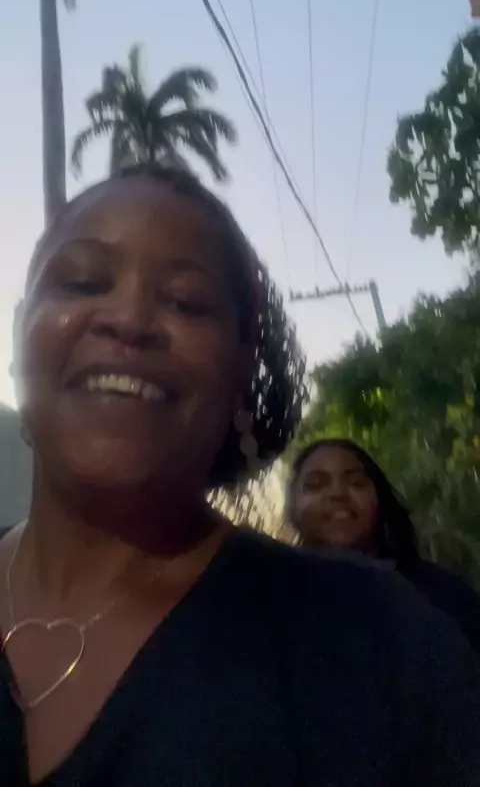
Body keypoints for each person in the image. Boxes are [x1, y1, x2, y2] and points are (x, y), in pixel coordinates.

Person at [1, 165, 480, 787]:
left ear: (240, 369)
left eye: (186, 301)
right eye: (83, 281)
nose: (129, 319)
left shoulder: (381, 643)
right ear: (20, 333)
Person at [286, 437, 480, 651]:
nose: (338, 493)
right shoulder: (271, 602)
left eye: (356, 482)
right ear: (291, 508)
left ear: (378, 498)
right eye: (315, 485)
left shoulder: (442, 597)